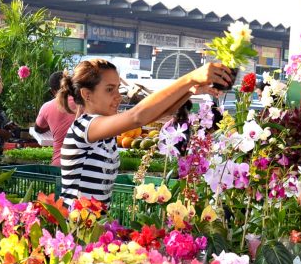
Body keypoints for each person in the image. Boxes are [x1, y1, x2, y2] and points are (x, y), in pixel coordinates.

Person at [58, 58, 232, 207]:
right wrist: (190, 77)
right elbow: (137, 116)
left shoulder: (101, 128)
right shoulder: (85, 127)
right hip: (76, 230)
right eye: (109, 89)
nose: (118, 96)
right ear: (87, 94)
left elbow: (156, 113)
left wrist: (190, 90)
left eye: (118, 88)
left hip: (92, 229)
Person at [34, 70, 77, 166]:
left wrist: (53, 124)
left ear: (52, 91)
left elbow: (38, 129)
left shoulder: (47, 106)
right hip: (86, 166)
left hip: (60, 163)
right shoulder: (84, 103)